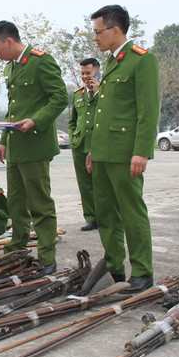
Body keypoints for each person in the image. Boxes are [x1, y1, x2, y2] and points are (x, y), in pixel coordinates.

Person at [85, 5, 160, 294]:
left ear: (116, 30)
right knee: (105, 214)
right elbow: (105, 112)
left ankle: (142, 272)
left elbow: (148, 110)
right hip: (103, 153)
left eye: (98, 31)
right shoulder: (113, 63)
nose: (95, 38)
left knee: (131, 212)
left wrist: (141, 151)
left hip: (125, 153)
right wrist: (94, 150)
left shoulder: (141, 60)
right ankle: (115, 268)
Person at [0, 20, 67, 273]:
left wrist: (35, 121)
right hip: (16, 146)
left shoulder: (40, 61)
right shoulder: (12, 67)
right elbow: (14, 109)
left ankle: (47, 257)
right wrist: (4, 141)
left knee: (39, 204)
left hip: (35, 145)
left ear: (9, 41)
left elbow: (60, 97)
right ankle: (17, 248)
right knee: (17, 204)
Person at [69, 58, 101, 231]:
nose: (85, 76)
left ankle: (105, 217)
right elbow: (72, 120)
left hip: (98, 144)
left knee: (100, 183)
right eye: (82, 73)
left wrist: (97, 92)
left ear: (97, 72)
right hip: (80, 144)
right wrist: (73, 137)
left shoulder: (105, 91)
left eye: (88, 73)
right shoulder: (77, 94)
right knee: (85, 184)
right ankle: (91, 217)